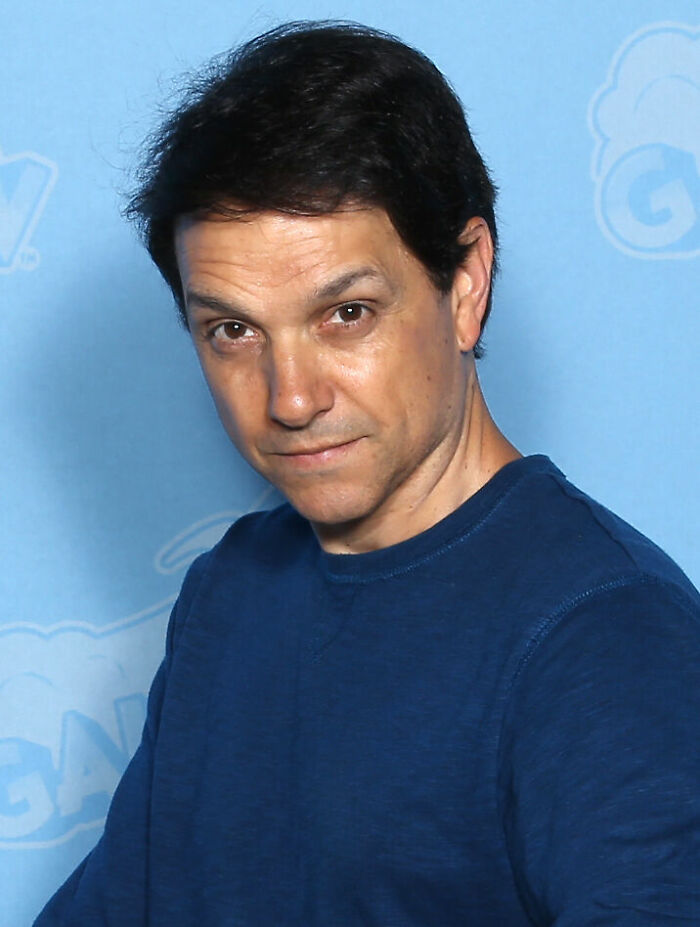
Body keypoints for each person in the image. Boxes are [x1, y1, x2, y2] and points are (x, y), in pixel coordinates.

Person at [35, 20, 700, 927]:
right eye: (232, 330)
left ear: (465, 283)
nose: (290, 397)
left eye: (345, 313)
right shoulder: (232, 589)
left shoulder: (605, 635)